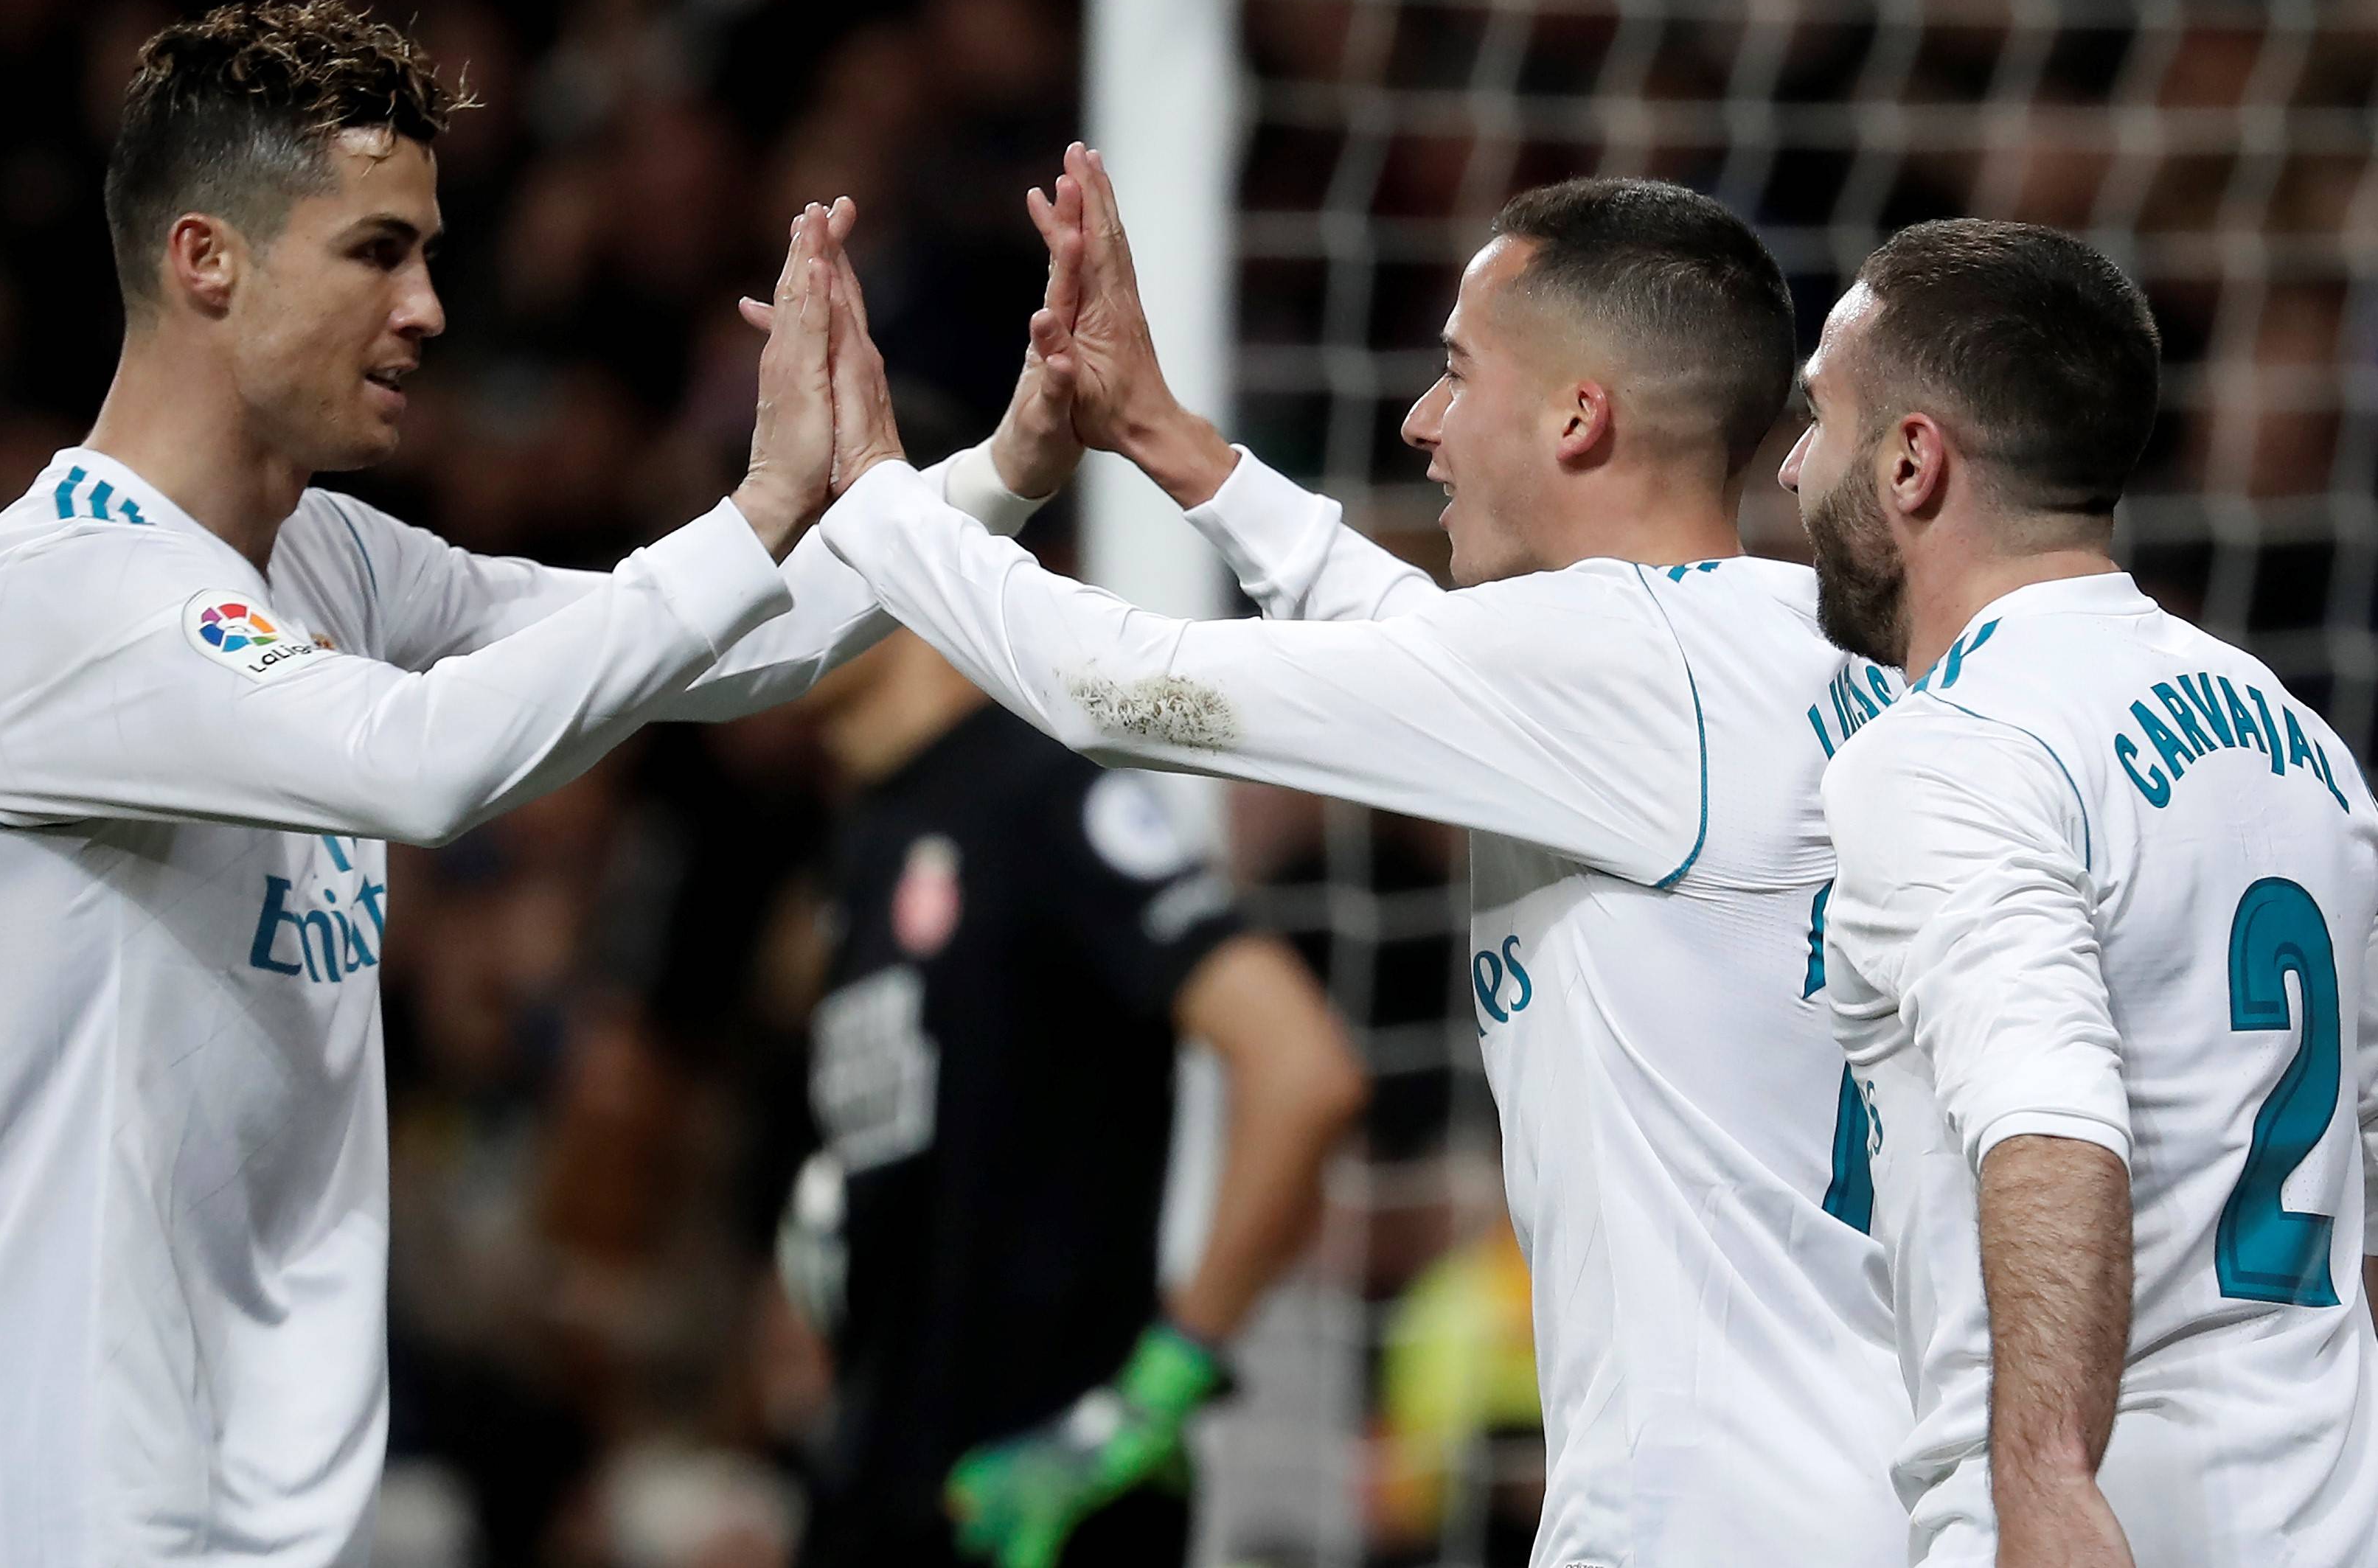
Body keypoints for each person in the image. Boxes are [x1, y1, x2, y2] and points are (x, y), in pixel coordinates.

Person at [0, 0, 1068, 1567]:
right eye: (376, 252)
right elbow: (421, 762)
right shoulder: (47, 603)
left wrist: (1012, 463)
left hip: (262, 1515)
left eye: (429, 253)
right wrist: (761, 499)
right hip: (46, 1514)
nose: (430, 308)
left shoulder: (326, 557)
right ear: (207, 261)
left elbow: (717, 645)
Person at [803, 153, 1914, 1567]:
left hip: (1711, 1514)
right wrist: (1174, 446)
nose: (1422, 421)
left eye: (1458, 373)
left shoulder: (1600, 668)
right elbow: (1416, 643)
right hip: (1874, 1469)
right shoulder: (1800, 645)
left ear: (1580, 416)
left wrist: (872, 492)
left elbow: (1107, 687)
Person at [1784, 219, 2378, 1567]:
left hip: (2106, 1522)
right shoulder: (2301, 743)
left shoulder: (1950, 749)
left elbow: (2049, 1119)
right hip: (2336, 1510)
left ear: (1913, 461)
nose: (1792, 466)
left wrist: (2046, 1486)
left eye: (1818, 418)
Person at [776, 624, 1363, 1568]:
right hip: (883, 1495)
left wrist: (1153, 1392)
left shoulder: (1040, 791)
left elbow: (1300, 1068)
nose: (754, 587)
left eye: (795, 554)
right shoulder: (868, 833)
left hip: (1046, 1504)